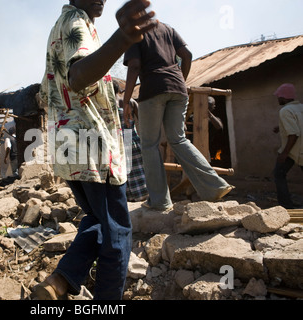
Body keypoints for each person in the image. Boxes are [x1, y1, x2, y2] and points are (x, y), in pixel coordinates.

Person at [35, 0, 156, 300]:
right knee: (118, 231)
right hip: (92, 144)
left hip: (68, 145)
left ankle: (60, 281)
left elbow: (45, 91)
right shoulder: (77, 22)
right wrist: (123, 39)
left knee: (98, 220)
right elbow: (78, 77)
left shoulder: (59, 28)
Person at [123, 20, 233, 212]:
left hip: (152, 90)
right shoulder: (166, 28)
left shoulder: (134, 32)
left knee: (149, 145)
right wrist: (181, 81)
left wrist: (126, 101)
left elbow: (134, 66)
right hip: (178, 89)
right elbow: (187, 55)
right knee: (178, 140)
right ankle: (214, 186)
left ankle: (159, 201)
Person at [113, 81, 148, 202]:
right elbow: (143, 122)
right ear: (119, 90)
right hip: (132, 139)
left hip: (116, 143)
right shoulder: (131, 102)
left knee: (124, 173)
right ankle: (143, 196)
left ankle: (128, 199)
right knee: (138, 170)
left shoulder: (107, 106)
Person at [272, 83, 303, 209]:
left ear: (283, 97)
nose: (278, 99)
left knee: (279, 174)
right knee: (279, 173)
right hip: (298, 149)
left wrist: (284, 153)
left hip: (293, 150)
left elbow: (294, 134)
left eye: (279, 97)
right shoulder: (301, 107)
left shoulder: (285, 111)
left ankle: (285, 205)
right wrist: (280, 127)